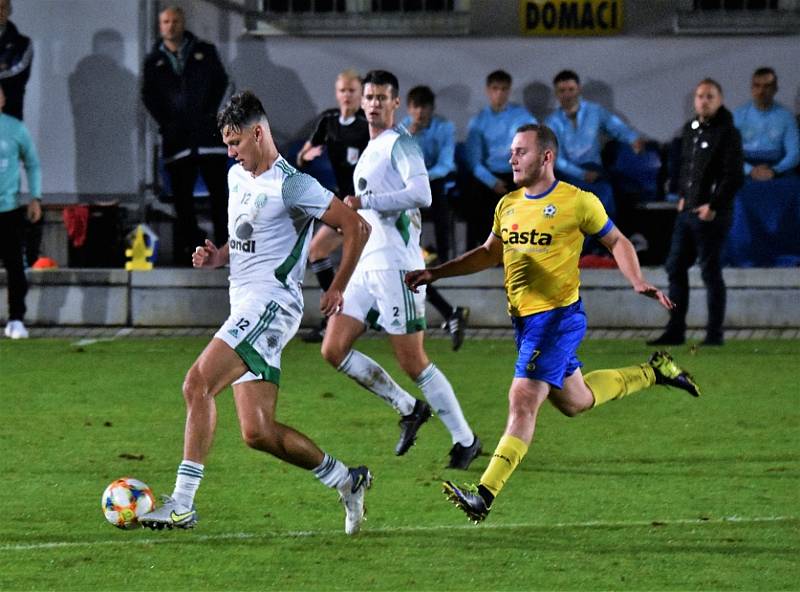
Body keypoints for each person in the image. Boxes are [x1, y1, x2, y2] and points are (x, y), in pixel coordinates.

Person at [405, 123, 701, 523]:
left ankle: (485, 494)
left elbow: (617, 241)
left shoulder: (578, 202)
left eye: (521, 151)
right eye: (511, 151)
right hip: (524, 322)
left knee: (523, 398)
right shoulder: (507, 204)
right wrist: (436, 273)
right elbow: (489, 253)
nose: (511, 158)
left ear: (546, 157)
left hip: (558, 318)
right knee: (575, 401)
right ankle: (654, 371)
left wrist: (636, 280)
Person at [138, 90, 374, 535]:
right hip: (243, 302)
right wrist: (219, 256)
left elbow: (355, 226)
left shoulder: (294, 184)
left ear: (259, 133)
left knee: (197, 384)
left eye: (235, 144)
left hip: (272, 304)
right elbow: (247, 236)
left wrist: (338, 286)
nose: (230, 153)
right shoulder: (235, 177)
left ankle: (182, 504)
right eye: (227, 144)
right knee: (258, 432)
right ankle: (347, 479)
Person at [319, 70, 481, 470]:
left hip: (397, 268)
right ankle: (409, 409)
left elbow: (422, 193)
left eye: (381, 98)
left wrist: (366, 200)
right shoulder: (370, 146)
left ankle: (467, 439)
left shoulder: (400, 143)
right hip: (367, 266)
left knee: (413, 362)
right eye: (369, 97)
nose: (373, 103)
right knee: (333, 348)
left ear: (395, 103)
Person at [649, 79, 744, 347]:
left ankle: (715, 334)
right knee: (675, 267)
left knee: (710, 272)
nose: (704, 101)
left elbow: (733, 176)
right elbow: (684, 166)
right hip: (687, 211)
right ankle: (675, 329)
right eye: (700, 96)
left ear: (720, 100)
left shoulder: (728, 132)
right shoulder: (691, 129)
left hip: (712, 214)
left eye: (710, 96)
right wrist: (681, 195)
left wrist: (713, 205)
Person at [142, 6, 230, 265]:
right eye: (166, 21)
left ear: (183, 23)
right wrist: (169, 124)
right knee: (183, 200)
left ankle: (226, 249)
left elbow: (221, 83)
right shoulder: (153, 62)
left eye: (175, 21)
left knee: (219, 196)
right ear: (160, 26)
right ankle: (192, 252)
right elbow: (149, 97)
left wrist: (208, 115)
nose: (171, 26)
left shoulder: (205, 52)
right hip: (177, 141)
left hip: (208, 139)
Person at [297, 69, 369, 343]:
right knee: (316, 251)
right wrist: (307, 156)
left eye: (352, 90)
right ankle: (337, 317)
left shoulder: (367, 124)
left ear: (360, 94)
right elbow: (303, 157)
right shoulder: (328, 121)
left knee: (388, 267)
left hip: (366, 203)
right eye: (343, 90)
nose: (347, 96)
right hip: (344, 203)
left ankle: (449, 313)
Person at [402, 85, 469, 351]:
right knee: (397, 268)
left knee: (400, 268)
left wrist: (419, 181)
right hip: (405, 191)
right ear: (408, 108)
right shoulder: (401, 131)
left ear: (431, 109)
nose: (419, 113)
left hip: (431, 184)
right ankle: (450, 312)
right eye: (415, 107)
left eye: (424, 107)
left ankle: (439, 256)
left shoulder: (444, 128)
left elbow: (445, 163)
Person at [546, 69, 644, 222]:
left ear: (579, 89)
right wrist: (581, 174)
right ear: (556, 94)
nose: (567, 95)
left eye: (571, 89)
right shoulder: (551, 122)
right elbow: (555, 158)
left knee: (620, 190)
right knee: (592, 198)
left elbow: (616, 126)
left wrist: (633, 139)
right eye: (562, 91)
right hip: (568, 173)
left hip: (594, 168)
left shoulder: (594, 111)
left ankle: (612, 239)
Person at [464, 70, 536, 249]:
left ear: (509, 91)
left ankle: (526, 248)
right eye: (495, 89)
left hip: (516, 172)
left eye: (504, 89)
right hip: (489, 175)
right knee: (475, 195)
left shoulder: (522, 116)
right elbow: (474, 162)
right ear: (488, 91)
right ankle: (483, 249)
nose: (499, 94)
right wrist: (491, 181)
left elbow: (534, 144)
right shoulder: (478, 121)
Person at [0, 85, 40, 339]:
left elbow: (33, 163)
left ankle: (16, 320)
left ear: (3, 98)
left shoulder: (15, 128)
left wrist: (35, 197)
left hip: (8, 209)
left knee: (15, 267)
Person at [733, 67, 799, 181]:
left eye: (767, 86)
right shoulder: (737, 116)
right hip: (745, 170)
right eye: (757, 86)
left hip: (777, 170)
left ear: (775, 89)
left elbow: (795, 153)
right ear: (752, 88)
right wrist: (750, 170)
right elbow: (729, 153)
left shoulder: (786, 117)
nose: (761, 91)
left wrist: (775, 170)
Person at [0, 0, 32, 121]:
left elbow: (18, 71)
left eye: (4, 7)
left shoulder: (23, 43)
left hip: (9, 116)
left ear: (9, 10)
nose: (0, 12)